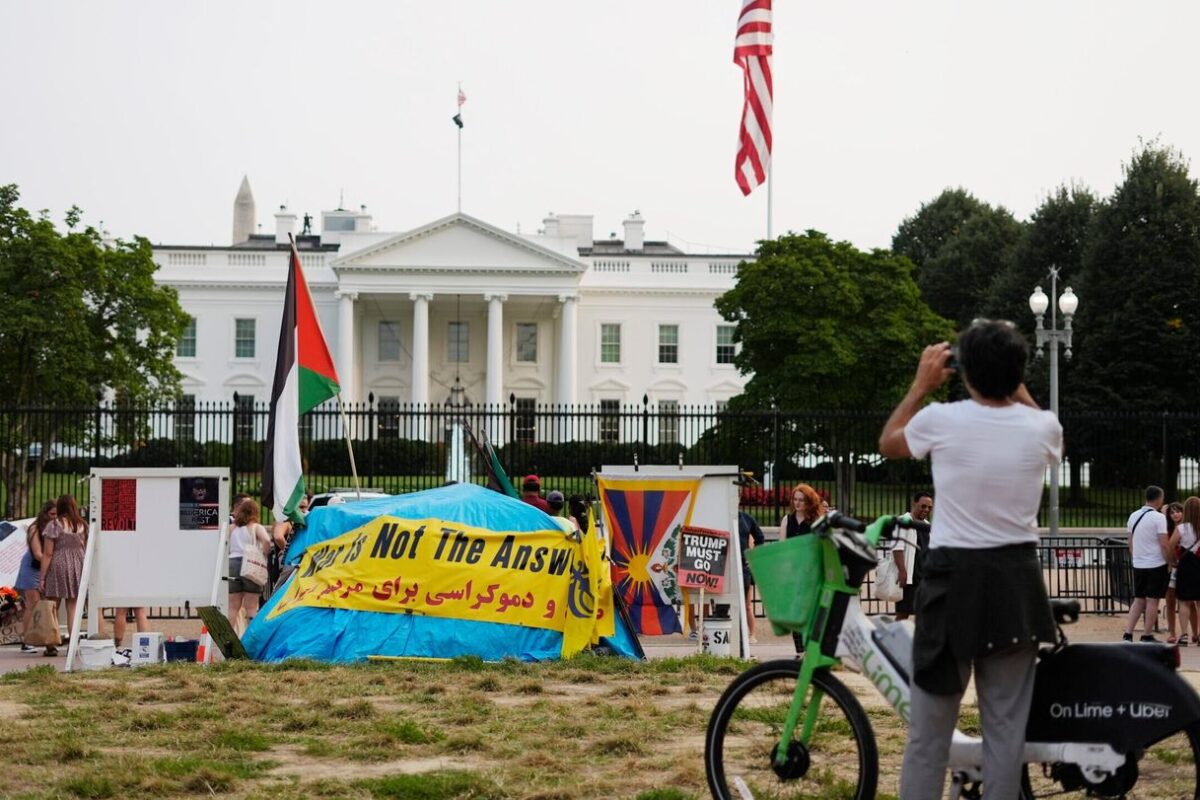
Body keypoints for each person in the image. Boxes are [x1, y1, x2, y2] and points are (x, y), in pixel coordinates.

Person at [879, 321, 1062, 800]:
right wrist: (1011, 377)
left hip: (951, 586)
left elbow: (889, 442)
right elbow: (1042, 421)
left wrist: (921, 384)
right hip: (1015, 587)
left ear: (965, 374)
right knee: (1005, 735)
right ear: (1019, 371)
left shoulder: (942, 420)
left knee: (928, 738)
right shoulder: (1043, 428)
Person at [39, 495, 90, 657]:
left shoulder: (54, 525)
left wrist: (42, 577)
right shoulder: (82, 525)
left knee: (52, 605)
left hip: (58, 564)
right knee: (73, 606)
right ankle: (73, 643)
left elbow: (47, 553)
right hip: (78, 564)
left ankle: (51, 643)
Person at [779, 483, 827, 652]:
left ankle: (812, 649)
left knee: (811, 613)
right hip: (793, 573)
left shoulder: (816, 521)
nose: (798, 503)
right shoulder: (787, 520)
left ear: (809, 501)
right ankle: (800, 651)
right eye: (795, 499)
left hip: (811, 573)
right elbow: (782, 547)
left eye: (802, 500)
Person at [1122, 485, 1172, 643]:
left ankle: (1128, 633)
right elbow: (1164, 543)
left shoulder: (1133, 516)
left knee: (1138, 599)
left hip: (1139, 562)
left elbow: (1130, 541)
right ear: (1159, 498)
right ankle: (1147, 634)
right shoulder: (1159, 518)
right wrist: (1170, 561)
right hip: (1156, 563)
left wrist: (1135, 557)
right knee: (1152, 600)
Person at [15, 501, 55, 653]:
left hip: (44, 568)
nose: (54, 517)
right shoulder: (34, 528)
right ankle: (26, 640)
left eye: (57, 514)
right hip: (32, 569)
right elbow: (38, 553)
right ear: (45, 513)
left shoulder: (54, 528)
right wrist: (53, 562)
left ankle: (42, 638)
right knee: (32, 605)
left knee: (43, 605)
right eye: (52, 514)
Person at [228, 498, 271, 631]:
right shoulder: (256, 527)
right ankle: (250, 638)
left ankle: (228, 638)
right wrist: (263, 554)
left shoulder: (232, 528)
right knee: (251, 607)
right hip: (251, 565)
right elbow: (266, 540)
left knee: (233, 607)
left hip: (232, 563)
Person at [892, 491, 934, 621]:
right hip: (910, 576)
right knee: (903, 612)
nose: (926, 510)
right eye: (923, 506)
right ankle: (896, 637)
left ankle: (917, 639)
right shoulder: (903, 521)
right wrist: (902, 571)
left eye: (929, 507)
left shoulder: (927, 526)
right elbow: (897, 547)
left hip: (924, 576)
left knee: (923, 612)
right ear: (914, 503)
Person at [1171, 496, 1200, 645]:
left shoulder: (1182, 528)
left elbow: (1170, 546)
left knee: (1184, 601)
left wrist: (1172, 561)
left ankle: (1184, 635)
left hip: (1186, 565)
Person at [270, 493, 310, 593]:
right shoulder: (286, 519)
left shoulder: (304, 519)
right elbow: (278, 536)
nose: (304, 511)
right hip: (288, 563)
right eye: (301, 507)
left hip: (298, 562)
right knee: (280, 593)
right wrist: (287, 550)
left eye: (306, 507)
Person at [737, 510, 766, 643]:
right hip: (724, 565)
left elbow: (760, 538)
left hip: (743, 566)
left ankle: (752, 634)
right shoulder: (720, 515)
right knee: (724, 604)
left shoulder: (746, 518)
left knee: (747, 604)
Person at [1164, 501, 1187, 643]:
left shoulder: (1188, 528)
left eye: (1178, 511)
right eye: (1172, 512)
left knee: (1188, 601)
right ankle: (1172, 631)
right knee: (1170, 600)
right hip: (1171, 568)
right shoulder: (1167, 529)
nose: (1175, 514)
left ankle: (1194, 631)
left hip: (1185, 567)